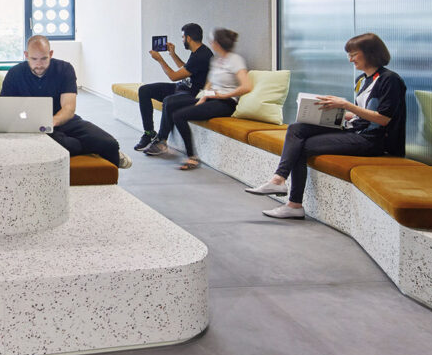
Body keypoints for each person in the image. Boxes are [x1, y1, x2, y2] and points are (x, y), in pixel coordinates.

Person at [251, 33, 407, 220]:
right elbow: (362, 113)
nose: (350, 59)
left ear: (370, 53)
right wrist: (331, 111)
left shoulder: (390, 80)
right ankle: (278, 180)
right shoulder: (362, 80)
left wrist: (345, 105)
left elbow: (383, 119)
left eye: (354, 54)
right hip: (355, 129)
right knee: (296, 129)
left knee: (300, 146)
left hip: (373, 140)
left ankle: (293, 204)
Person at [1, 35, 132, 169]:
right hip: (33, 127)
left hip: (64, 120)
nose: (39, 64)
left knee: (110, 144)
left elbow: (69, 108)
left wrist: (52, 122)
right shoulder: (14, 74)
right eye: (34, 59)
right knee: (62, 145)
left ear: (50, 54)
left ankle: (109, 175)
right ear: (26, 55)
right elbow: (5, 110)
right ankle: (91, 148)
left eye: (44, 58)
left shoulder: (64, 69)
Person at [150, 28, 251, 170]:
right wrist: (203, 97)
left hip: (226, 103)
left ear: (217, 43)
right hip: (211, 98)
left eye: (212, 40)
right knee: (171, 102)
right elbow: (210, 82)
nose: (210, 43)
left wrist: (223, 95)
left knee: (179, 116)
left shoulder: (235, 60)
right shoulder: (216, 59)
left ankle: (192, 157)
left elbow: (247, 86)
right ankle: (162, 141)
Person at [134, 23, 212, 152]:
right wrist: (172, 54)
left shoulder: (202, 55)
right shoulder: (198, 52)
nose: (182, 40)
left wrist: (160, 60)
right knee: (144, 90)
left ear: (188, 38)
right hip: (181, 87)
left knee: (169, 100)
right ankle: (149, 133)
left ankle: (161, 140)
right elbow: (186, 69)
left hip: (190, 94)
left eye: (182, 37)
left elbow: (174, 76)